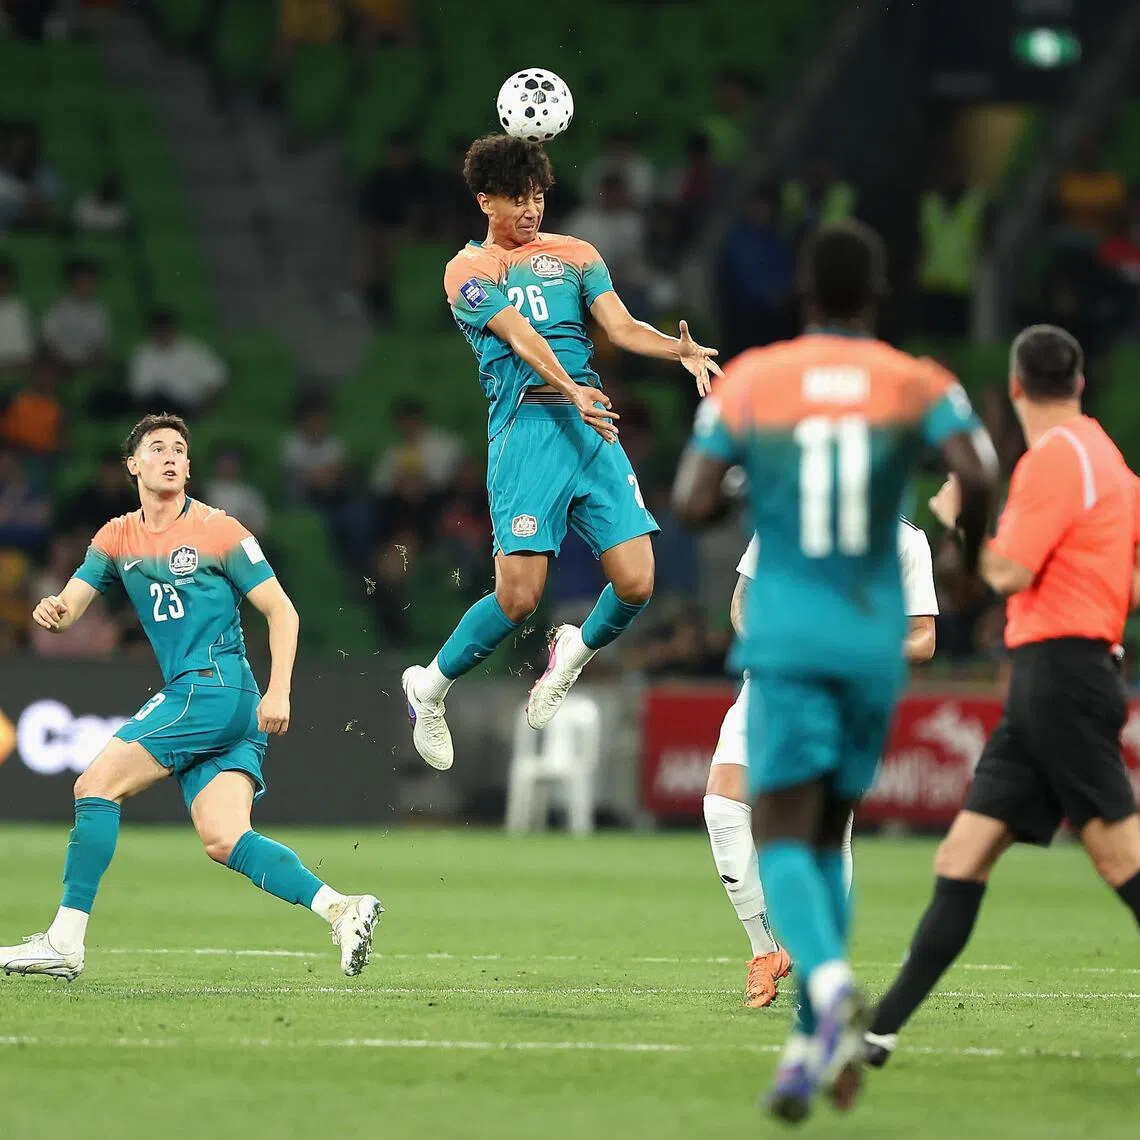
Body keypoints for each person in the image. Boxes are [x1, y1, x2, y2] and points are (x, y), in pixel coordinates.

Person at [670, 220, 997, 1121]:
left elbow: (692, 500)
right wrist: (968, 558)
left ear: (802, 296)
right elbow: (979, 465)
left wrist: (748, 482)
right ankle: (817, 1033)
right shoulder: (916, 380)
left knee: (781, 827)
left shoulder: (755, 382)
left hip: (789, 641)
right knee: (830, 833)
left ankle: (827, 990)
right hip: (869, 650)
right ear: (878, 295)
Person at [0, 414, 382, 981]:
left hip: (215, 689)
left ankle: (64, 941)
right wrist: (52, 610)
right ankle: (341, 908)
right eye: (158, 448)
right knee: (225, 838)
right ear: (134, 465)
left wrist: (280, 690)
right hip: (219, 701)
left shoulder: (220, 530)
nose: (172, 456)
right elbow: (71, 605)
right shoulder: (116, 536)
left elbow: (282, 610)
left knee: (94, 785)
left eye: (180, 448)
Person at [863, 325, 1140, 1068]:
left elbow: (1007, 573)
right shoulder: (1110, 464)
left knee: (1121, 859)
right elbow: (1129, 581)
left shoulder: (1054, 460)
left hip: (1062, 677)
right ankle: (879, 1029)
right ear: (1079, 383)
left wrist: (958, 516)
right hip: (1057, 676)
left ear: (1015, 388)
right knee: (963, 854)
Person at [401, 134, 720, 771]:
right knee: (518, 598)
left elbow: (622, 328)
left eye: (539, 195)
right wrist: (571, 387)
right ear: (485, 200)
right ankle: (429, 688)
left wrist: (675, 350)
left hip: (588, 424)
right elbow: (517, 333)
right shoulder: (467, 269)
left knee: (637, 581)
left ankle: (571, 653)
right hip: (527, 432)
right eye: (517, 197)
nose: (531, 209)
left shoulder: (576, 255)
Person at [705, 520, 938, 1010]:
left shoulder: (904, 540)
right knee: (722, 807)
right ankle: (765, 951)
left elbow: (923, 637)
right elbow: (742, 601)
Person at [129, 308, 227, 417]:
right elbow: (139, 392)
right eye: (159, 330)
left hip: (187, 406)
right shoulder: (143, 354)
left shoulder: (193, 350)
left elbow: (215, 380)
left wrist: (204, 407)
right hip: (155, 407)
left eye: (166, 329)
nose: (163, 334)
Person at [41, 257, 111, 372]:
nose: (88, 285)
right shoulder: (57, 308)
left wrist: (87, 363)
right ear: (73, 282)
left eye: (91, 281)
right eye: (83, 281)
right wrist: (65, 362)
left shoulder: (100, 311)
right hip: (60, 366)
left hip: (88, 366)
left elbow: (100, 346)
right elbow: (49, 343)